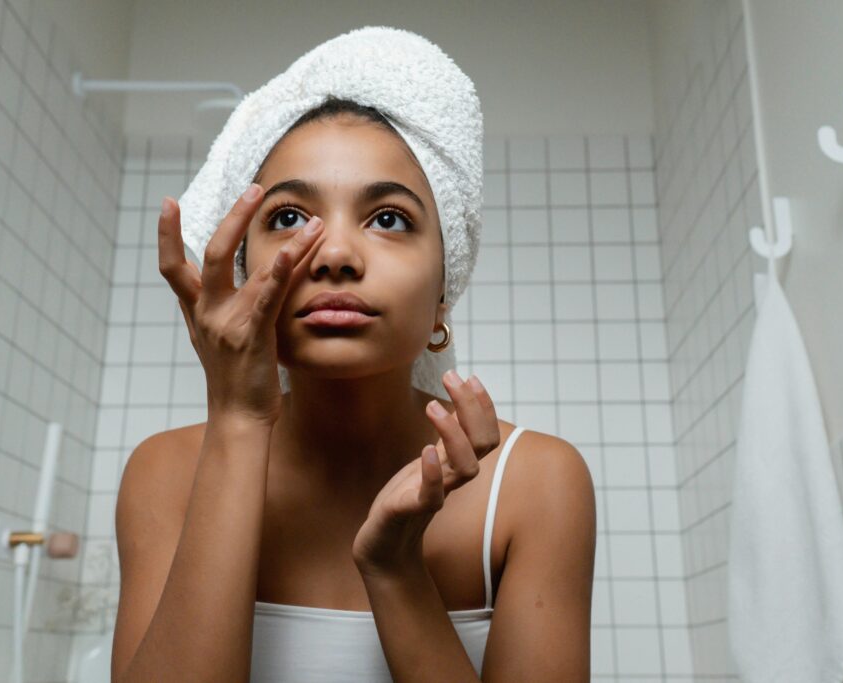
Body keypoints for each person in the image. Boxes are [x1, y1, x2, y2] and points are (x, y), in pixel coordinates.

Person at [111, 27, 595, 683]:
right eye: (288, 217)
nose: (334, 254)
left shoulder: (536, 485)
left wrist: (396, 569)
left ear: (443, 295)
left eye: (388, 218)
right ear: (248, 273)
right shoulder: (164, 474)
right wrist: (235, 420)